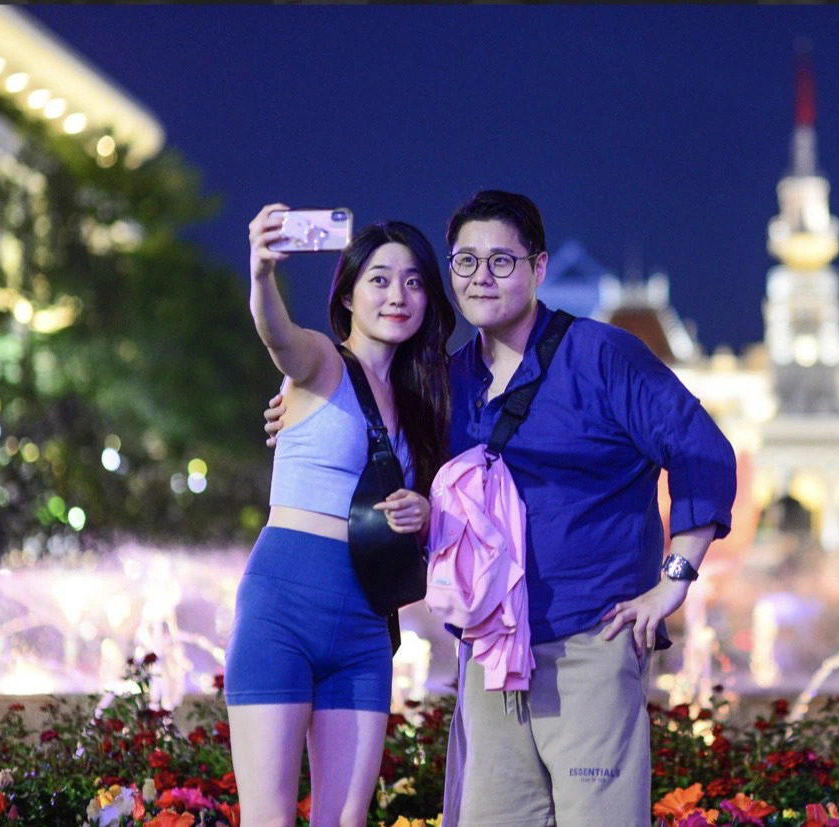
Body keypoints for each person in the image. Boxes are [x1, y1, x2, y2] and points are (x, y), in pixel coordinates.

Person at [266, 190, 736, 827]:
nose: (481, 278)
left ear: (538, 268)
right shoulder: (447, 381)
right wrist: (295, 404)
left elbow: (701, 448)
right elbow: (367, 418)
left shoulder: (601, 357)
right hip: (489, 654)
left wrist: (672, 583)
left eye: (501, 262)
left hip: (589, 645)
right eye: (464, 262)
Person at [232, 204, 455, 827]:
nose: (398, 295)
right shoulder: (321, 362)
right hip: (283, 615)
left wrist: (426, 511)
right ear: (349, 294)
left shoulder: (423, 400)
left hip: (364, 631)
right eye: (379, 279)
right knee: (269, 819)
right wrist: (261, 275)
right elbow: (277, 335)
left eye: (413, 281)